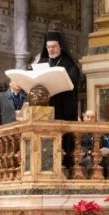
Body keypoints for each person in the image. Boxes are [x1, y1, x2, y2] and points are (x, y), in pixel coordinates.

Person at [37, 31, 81, 169]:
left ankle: (66, 165)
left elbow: (73, 81)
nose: (51, 49)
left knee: (65, 138)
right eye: (48, 47)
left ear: (61, 47)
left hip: (64, 106)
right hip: (46, 108)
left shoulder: (68, 63)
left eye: (54, 46)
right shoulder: (43, 62)